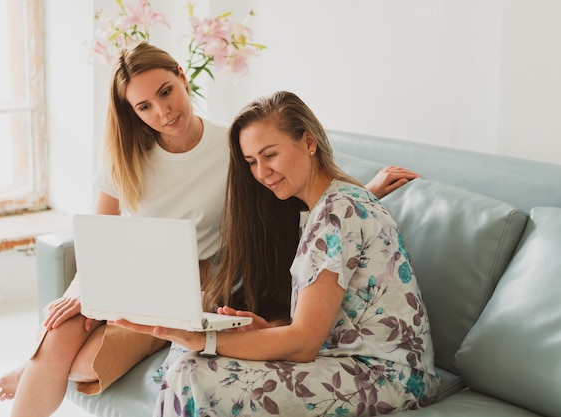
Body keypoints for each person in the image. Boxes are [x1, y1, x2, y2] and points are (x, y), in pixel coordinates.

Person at [0, 41, 420, 417]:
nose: (163, 111)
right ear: (132, 112)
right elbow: (100, 235)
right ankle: (37, 363)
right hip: (123, 273)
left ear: (181, 76)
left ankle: (39, 363)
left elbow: (305, 202)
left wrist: (364, 190)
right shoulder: (127, 157)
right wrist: (87, 290)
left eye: (166, 92)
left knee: (86, 369)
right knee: (59, 334)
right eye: (144, 106)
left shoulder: (233, 148)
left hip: (194, 282)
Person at [116, 90, 440, 416]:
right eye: (251, 162)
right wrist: (264, 332)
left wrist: (203, 339)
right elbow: (318, 328)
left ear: (308, 142)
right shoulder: (322, 211)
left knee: (194, 374)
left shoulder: (338, 211)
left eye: (269, 155)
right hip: (344, 360)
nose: (260, 173)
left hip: (389, 375)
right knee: (189, 363)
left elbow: (303, 343)